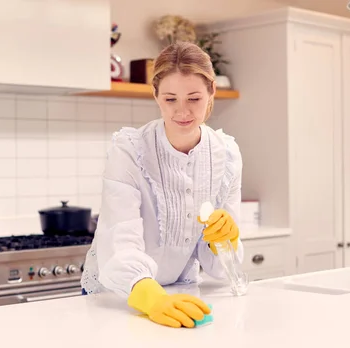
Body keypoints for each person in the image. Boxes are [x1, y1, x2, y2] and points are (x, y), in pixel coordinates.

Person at [80, 41, 244, 328]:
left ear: (211, 93)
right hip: (122, 298)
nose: (182, 111)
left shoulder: (227, 155)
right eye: (170, 99)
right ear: (156, 96)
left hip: (181, 293)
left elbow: (220, 270)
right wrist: (151, 298)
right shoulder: (129, 150)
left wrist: (225, 241)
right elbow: (120, 242)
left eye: (194, 98)